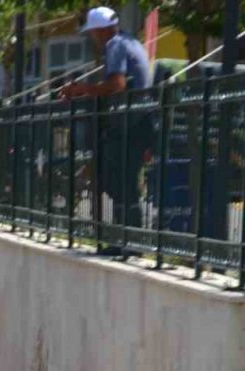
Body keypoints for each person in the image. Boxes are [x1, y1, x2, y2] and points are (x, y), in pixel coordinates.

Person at [60, 6, 153, 239]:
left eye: (93, 33)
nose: (93, 38)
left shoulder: (115, 45)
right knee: (125, 181)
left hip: (130, 123)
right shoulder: (131, 41)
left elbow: (117, 84)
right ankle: (128, 237)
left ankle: (127, 239)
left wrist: (80, 90)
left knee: (116, 179)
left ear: (102, 30)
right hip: (142, 120)